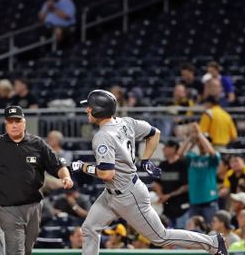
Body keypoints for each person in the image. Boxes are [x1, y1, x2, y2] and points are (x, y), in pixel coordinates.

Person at [71, 89, 228, 255]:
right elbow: (155, 133)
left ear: (98, 110)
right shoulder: (125, 122)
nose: (87, 109)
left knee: (161, 237)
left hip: (128, 195)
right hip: (113, 193)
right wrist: (145, 159)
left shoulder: (103, 136)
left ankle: (212, 243)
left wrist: (82, 166)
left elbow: (106, 174)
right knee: (90, 228)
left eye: (90, 107)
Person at [0, 105, 73, 255]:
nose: (14, 125)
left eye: (17, 120)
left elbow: (57, 165)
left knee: (26, 249)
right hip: (6, 207)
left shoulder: (37, 144)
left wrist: (66, 177)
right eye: (10, 121)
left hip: (33, 207)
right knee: (16, 250)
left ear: (24, 122)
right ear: (5, 123)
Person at [179, 122, 220, 223]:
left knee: (212, 229)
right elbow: (180, 154)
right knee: (194, 232)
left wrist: (200, 134)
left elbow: (211, 152)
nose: (201, 144)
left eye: (204, 142)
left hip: (209, 200)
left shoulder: (213, 158)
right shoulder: (192, 157)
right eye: (199, 142)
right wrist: (190, 137)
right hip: (194, 201)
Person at [152, 140, 189, 229]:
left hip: (182, 208)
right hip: (167, 208)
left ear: (173, 149)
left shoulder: (183, 164)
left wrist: (169, 195)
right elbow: (156, 183)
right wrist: (160, 195)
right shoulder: (162, 165)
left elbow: (187, 186)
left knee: (181, 233)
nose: (163, 149)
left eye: (166, 147)